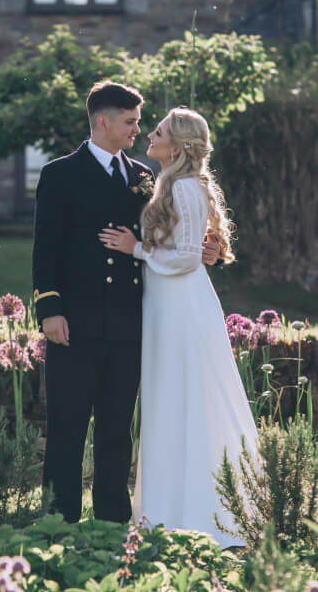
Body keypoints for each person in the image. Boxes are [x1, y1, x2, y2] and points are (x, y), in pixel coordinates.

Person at [99, 107, 257, 546]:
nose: (150, 133)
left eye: (160, 130)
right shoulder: (172, 183)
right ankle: (166, 507)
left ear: (180, 146)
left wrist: (137, 250)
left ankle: (196, 510)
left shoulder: (185, 188)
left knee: (184, 398)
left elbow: (187, 258)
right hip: (166, 303)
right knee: (168, 401)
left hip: (181, 307)